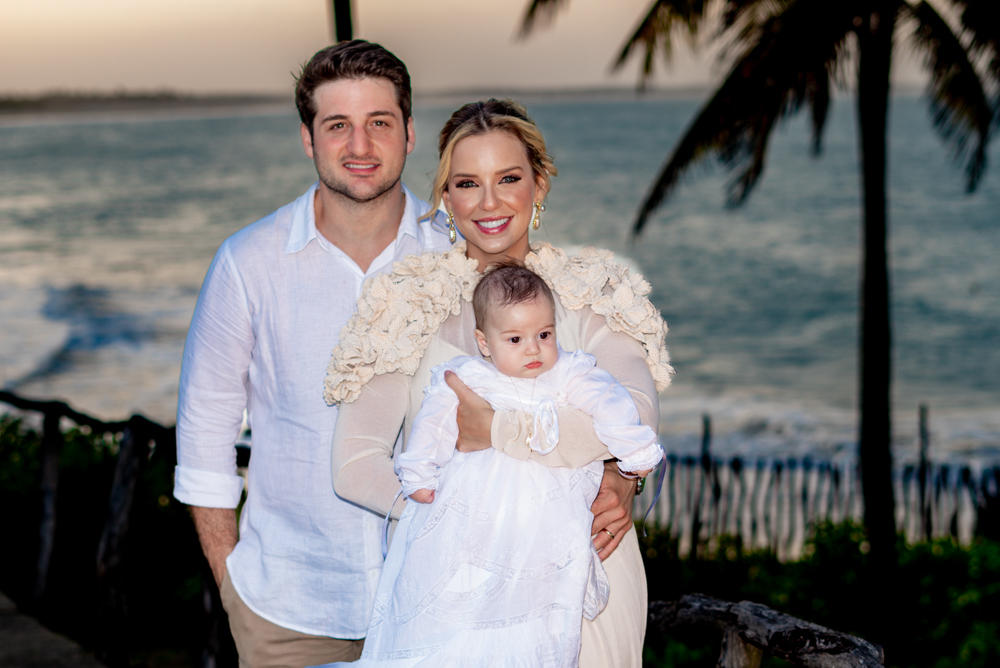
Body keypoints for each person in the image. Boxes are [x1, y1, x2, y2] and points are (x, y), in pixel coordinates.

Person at [325, 99, 673, 667]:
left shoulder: (594, 292)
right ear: (445, 197)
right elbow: (354, 463)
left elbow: (633, 411)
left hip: (585, 569)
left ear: (538, 185)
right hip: (452, 586)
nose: (489, 203)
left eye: (508, 178)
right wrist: (460, 519)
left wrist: (615, 474)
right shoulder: (405, 305)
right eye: (467, 183)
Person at [172, 40, 454, 667]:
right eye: (338, 126)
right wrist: (233, 588)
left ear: (409, 133)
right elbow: (203, 441)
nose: (360, 146)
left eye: (379, 123)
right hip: (288, 614)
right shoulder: (248, 263)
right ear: (308, 138)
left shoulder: (457, 257)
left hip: (439, 605)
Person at [323, 263, 663, 667]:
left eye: (545, 335)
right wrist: (429, 493)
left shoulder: (572, 367)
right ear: (484, 343)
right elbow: (428, 432)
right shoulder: (465, 376)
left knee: (544, 635)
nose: (534, 349)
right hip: (467, 549)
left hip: (561, 533)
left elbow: (618, 409)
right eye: (516, 339)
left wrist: (632, 457)